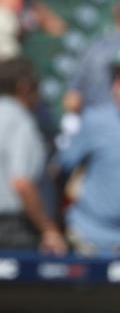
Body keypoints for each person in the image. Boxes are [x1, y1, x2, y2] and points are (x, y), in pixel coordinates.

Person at [0, 57, 68, 254]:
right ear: (24, 87)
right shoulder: (21, 121)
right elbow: (22, 183)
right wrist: (48, 230)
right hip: (17, 232)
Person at [55, 51, 120, 256]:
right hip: (92, 236)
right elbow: (58, 169)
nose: (117, 85)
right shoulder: (96, 120)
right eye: (116, 77)